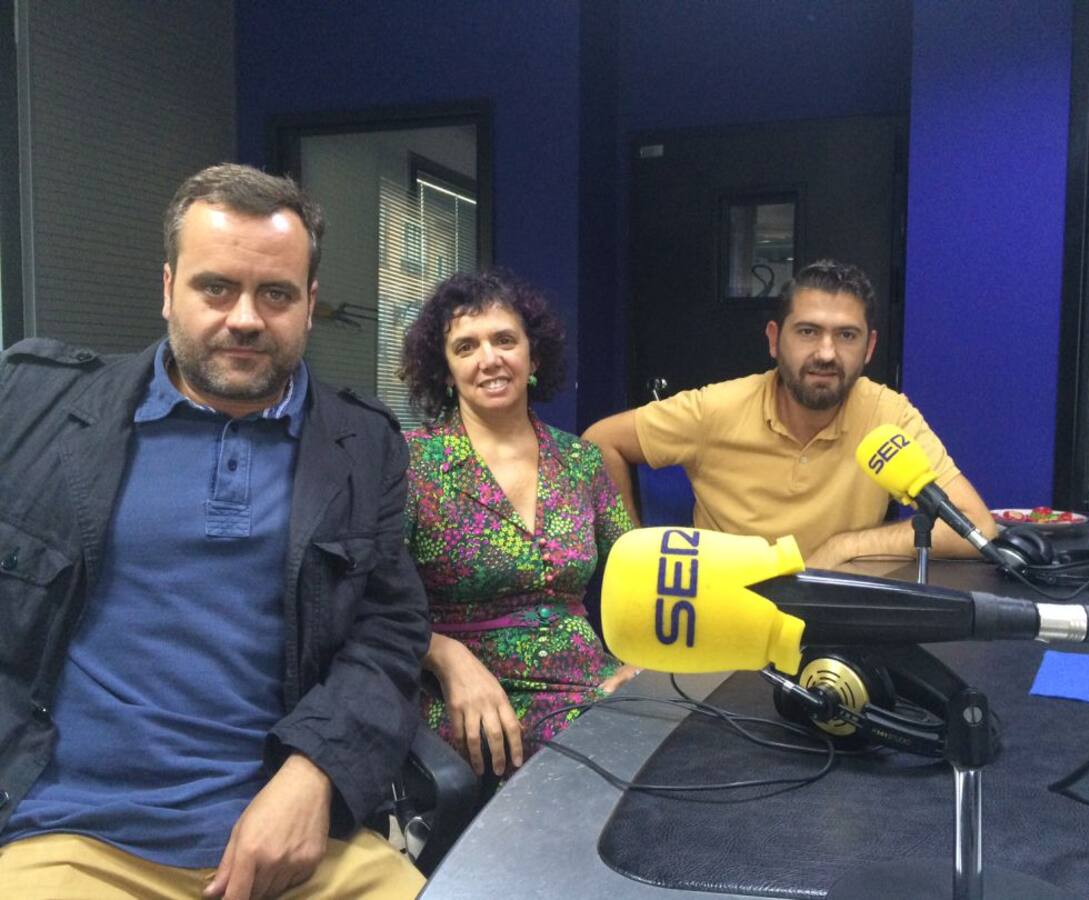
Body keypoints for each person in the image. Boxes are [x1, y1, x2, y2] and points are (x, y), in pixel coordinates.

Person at [0, 164, 429, 899]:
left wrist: (315, 772)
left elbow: (389, 633)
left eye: (276, 294)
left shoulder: (363, 444)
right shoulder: (33, 403)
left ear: (310, 303)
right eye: (216, 288)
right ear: (169, 288)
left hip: (293, 837)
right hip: (70, 836)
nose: (246, 318)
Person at [582, 259, 996, 570]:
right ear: (775, 339)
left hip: (831, 622)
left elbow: (976, 527)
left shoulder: (887, 413)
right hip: (724, 622)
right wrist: (631, 560)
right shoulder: (716, 409)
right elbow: (601, 440)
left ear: (869, 348)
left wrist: (845, 546)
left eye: (846, 335)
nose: (826, 353)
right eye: (808, 331)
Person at [400, 270, 637, 780]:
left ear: (534, 357)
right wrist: (442, 654)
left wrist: (641, 664)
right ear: (445, 371)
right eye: (466, 347)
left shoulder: (581, 461)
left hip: (589, 686)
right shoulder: (410, 463)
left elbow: (638, 574)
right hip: (470, 698)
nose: (489, 359)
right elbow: (369, 599)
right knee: (606, 768)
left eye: (505, 340)